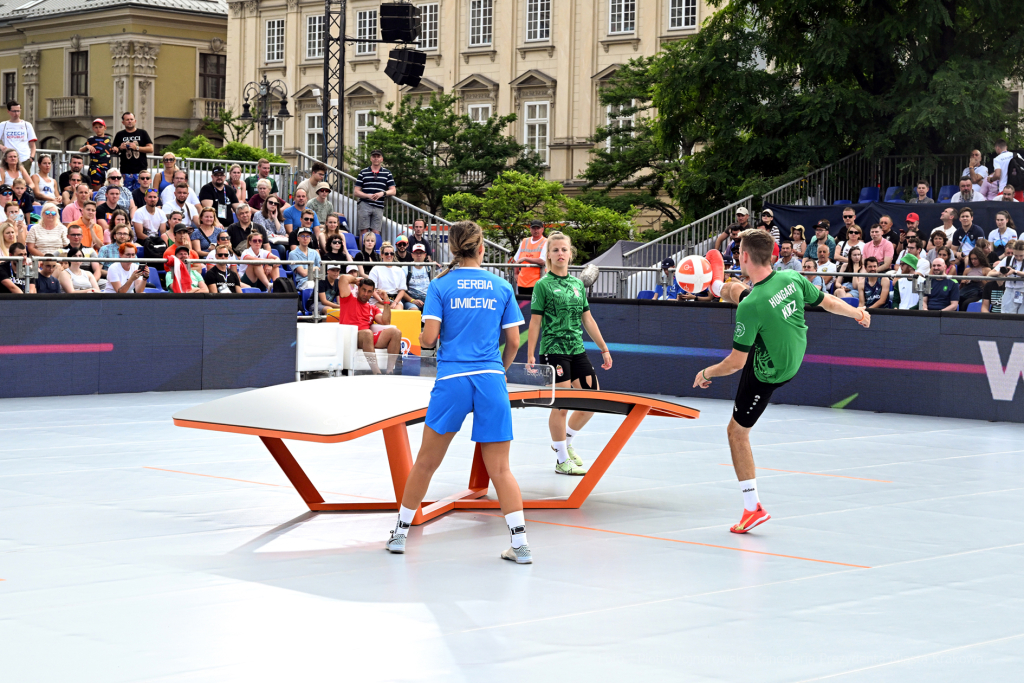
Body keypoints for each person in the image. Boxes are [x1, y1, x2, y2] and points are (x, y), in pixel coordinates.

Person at [693, 228, 870, 533]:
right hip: (793, 350)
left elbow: (736, 363)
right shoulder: (791, 278)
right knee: (739, 292)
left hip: (770, 369)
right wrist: (857, 313)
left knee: (737, 433)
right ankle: (717, 284)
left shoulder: (753, 306)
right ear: (773, 255)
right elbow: (827, 301)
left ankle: (753, 508)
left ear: (744, 256)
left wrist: (706, 373)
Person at [384, 220, 530, 563]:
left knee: (426, 463)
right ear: (482, 249)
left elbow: (428, 340)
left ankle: (400, 536)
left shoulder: (440, 285)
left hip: (452, 380)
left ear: (451, 249)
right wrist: (500, 370)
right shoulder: (501, 286)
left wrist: (426, 331)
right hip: (491, 379)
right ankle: (521, 545)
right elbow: (512, 341)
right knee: (501, 469)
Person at [525, 231, 613, 476]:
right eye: (555, 250)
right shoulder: (542, 285)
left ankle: (565, 441)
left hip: (577, 349)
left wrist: (604, 348)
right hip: (554, 350)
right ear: (549, 256)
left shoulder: (577, 285)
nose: (560, 253)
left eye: (564, 249)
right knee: (562, 405)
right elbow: (535, 322)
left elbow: (588, 319)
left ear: (570, 254)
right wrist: (531, 353)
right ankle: (561, 460)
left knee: (592, 401)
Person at [353, 150, 396, 236]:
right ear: (371, 158)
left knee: (376, 232)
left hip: (379, 206)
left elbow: (393, 190)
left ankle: (375, 249)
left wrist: (382, 193)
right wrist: (367, 196)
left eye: (378, 156)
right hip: (364, 204)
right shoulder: (363, 172)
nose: (376, 158)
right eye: (374, 156)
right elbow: (356, 192)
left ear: (381, 159)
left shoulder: (387, 173)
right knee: (363, 232)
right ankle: (363, 249)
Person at [111, 111, 153, 192]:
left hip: (140, 171)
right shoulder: (119, 134)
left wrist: (136, 147)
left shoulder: (142, 133)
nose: (129, 121)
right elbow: (114, 149)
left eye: (131, 119)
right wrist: (120, 148)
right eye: (127, 120)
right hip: (125, 171)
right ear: (123, 122)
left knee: (141, 193)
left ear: (135, 121)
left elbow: (151, 149)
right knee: (126, 194)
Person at [368, 241, 416, 309]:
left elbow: (402, 290)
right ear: (382, 255)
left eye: (391, 253)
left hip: (394, 299)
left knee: (398, 312)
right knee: (385, 312)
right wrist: (381, 301)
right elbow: (372, 289)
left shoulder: (399, 270)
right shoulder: (375, 269)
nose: (389, 255)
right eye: (386, 253)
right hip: (378, 300)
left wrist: (395, 302)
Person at [0, 100, 36, 173]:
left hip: (24, 158)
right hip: (9, 158)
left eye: (18, 111)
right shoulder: (3, 125)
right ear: (8, 111)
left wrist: (31, 157)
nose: (16, 113)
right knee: (8, 179)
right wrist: (1, 147)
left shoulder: (27, 125)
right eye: (14, 111)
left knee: (24, 182)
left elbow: (32, 144)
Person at [514, 219, 547, 297]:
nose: (536, 230)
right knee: (523, 306)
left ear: (542, 229)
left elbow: (542, 261)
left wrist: (525, 259)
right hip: (522, 282)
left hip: (537, 282)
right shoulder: (525, 241)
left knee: (535, 307)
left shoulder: (546, 242)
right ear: (530, 229)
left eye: (538, 228)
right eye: (533, 228)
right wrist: (516, 274)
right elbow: (516, 260)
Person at [81, 118, 114, 189]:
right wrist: (87, 146)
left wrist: (115, 149)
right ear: (93, 129)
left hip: (106, 169)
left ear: (105, 128)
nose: (98, 129)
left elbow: (109, 149)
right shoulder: (91, 139)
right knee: (96, 192)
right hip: (95, 169)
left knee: (105, 190)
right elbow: (81, 149)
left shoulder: (108, 139)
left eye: (100, 127)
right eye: (96, 127)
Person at [403, 242, 431, 309]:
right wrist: (413, 300)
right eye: (416, 253)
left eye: (421, 253)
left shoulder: (430, 268)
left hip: (428, 300)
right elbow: (401, 290)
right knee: (414, 311)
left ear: (425, 255)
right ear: (412, 255)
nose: (419, 255)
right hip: (411, 300)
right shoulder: (405, 268)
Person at [1001, 240, 1024, 314]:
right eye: (1016, 255)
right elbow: (990, 273)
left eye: (1021, 255)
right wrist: (1001, 272)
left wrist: (1015, 271)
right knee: (1007, 316)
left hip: (1022, 289)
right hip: (1010, 290)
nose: (1018, 258)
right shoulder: (1008, 259)